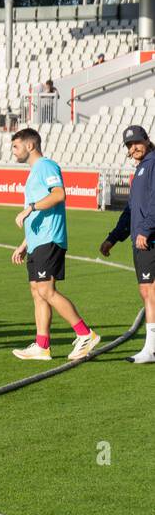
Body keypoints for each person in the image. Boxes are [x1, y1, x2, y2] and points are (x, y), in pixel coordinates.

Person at [7, 127, 100, 361]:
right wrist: (24, 244)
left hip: (50, 239)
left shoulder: (46, 166)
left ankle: (85, 334)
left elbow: (59, 194)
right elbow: (40, 213)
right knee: (37, 292)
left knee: (46, 290)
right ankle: (42, 346)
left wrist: (30, 207)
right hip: (38, 241)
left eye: (15, 147)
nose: (13, 152)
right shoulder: (34, 172)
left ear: (30, 146)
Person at [101, 125, 155, 361]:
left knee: (148, 290)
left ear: (146, 139)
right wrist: (113, 237)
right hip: (142, 238)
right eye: (129, 145)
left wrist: (145, 229)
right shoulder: (142, 167)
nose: (133, 148)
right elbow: (132, 210)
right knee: (148, 292)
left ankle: (151, 349)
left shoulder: (152, 164)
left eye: (137, 142)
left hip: (148, 239)